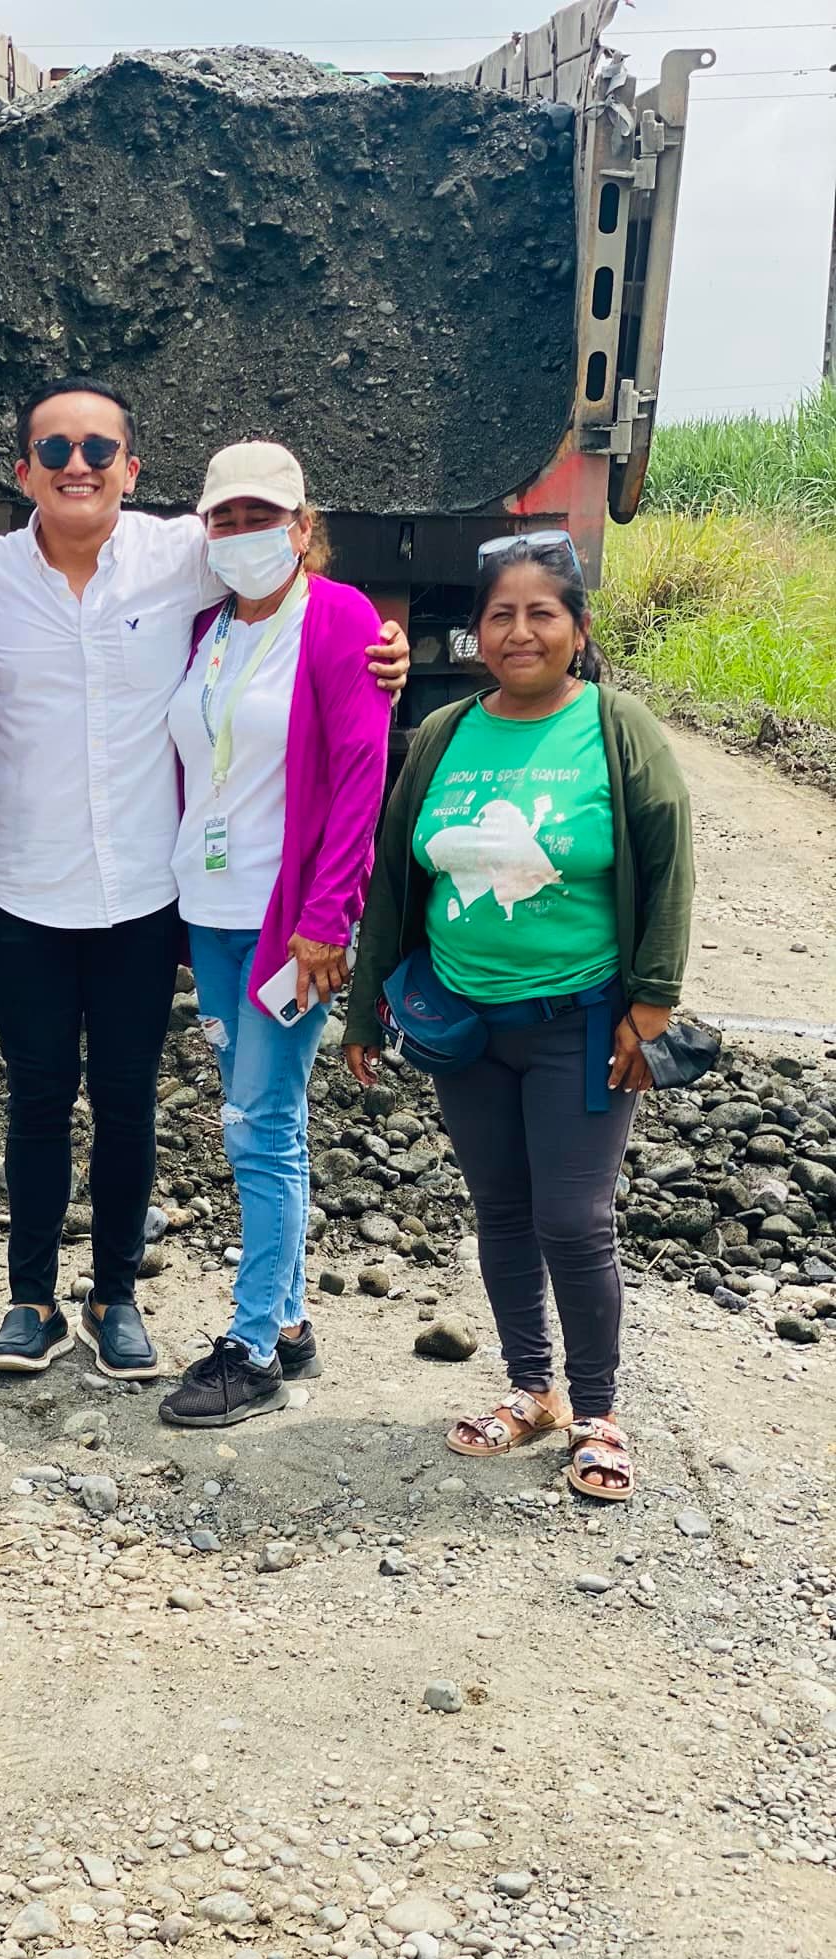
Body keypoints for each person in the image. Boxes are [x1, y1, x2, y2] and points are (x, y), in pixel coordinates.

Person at [0, 378, 409, 1385]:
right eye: (56, 448)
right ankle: (34, 1302)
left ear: (132, 469)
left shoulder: (191, 566)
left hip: (151, 899)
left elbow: (352, 740)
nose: (78, 465)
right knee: (39, 1099)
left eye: (98, 449)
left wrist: (385, 648)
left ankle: (124, 1301)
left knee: (143, 1103)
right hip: (36, 886)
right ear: (23, 468)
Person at [343, 532, 694, 1501]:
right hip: (464, 1024)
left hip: (579, 1020)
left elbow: (668, 865)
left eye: (543, 613)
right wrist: (368, 1008)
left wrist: (650, 1008)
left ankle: (598, 1411)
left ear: (578, 628)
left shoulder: (618, 728)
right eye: (502, 614)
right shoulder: (445, 734)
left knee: (573, 1221)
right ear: (477, 632)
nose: (521, 631)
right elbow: (395, 876)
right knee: (500, 1211)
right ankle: (533, 1389)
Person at [153, 443, 391, 1428]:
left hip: (287, 926)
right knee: (256, 1116)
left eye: (263, 516)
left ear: (302, 526)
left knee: (260, 1124)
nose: (243, 533)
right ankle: (289, 1324)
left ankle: (250, 1348)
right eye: (226, 517)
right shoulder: (206, 628)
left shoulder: (340, 620)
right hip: (210, 914)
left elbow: (362, 775)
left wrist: (328, 918)